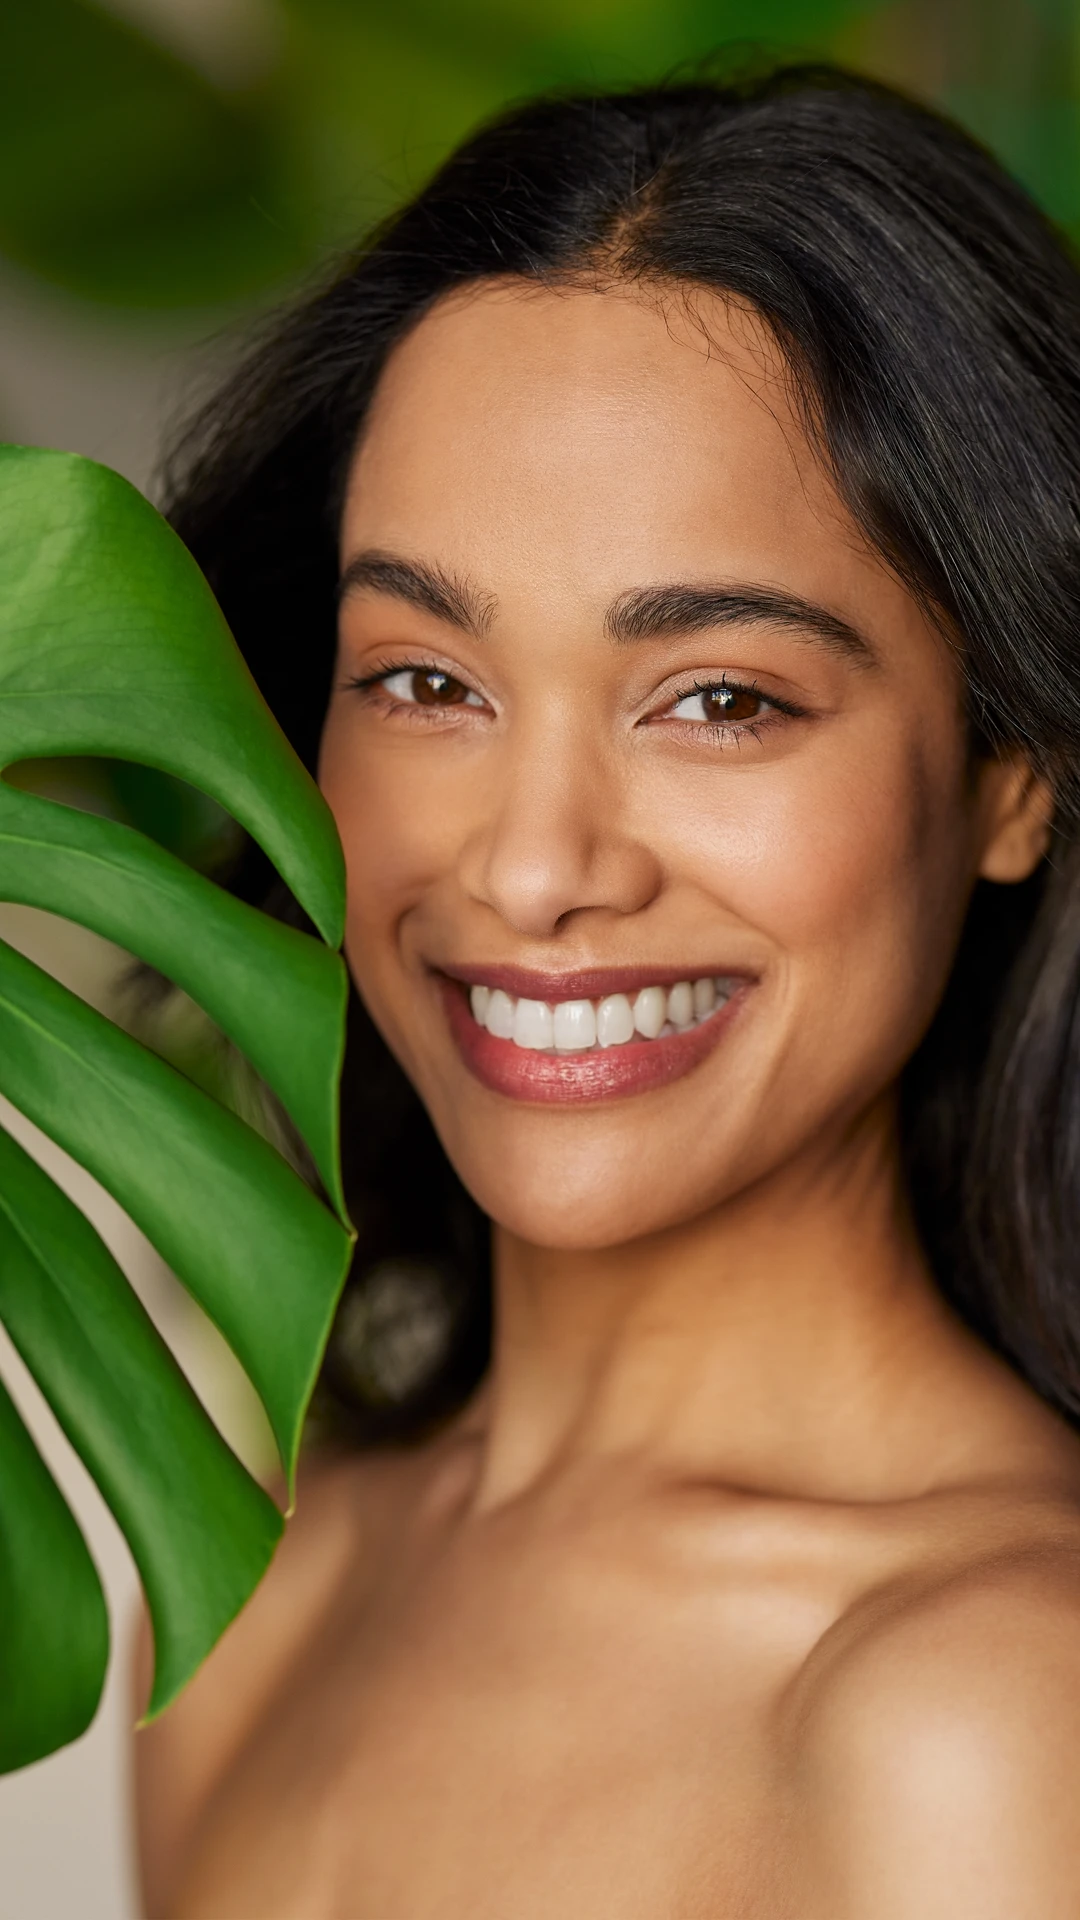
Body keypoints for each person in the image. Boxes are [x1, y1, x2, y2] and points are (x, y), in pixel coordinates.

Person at [134, 63, 1080, 1917]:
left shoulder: (993, 1714)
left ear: (1012, 775)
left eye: (720, 699)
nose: (534, 865)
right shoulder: (265, 1581)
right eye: (425, 683)